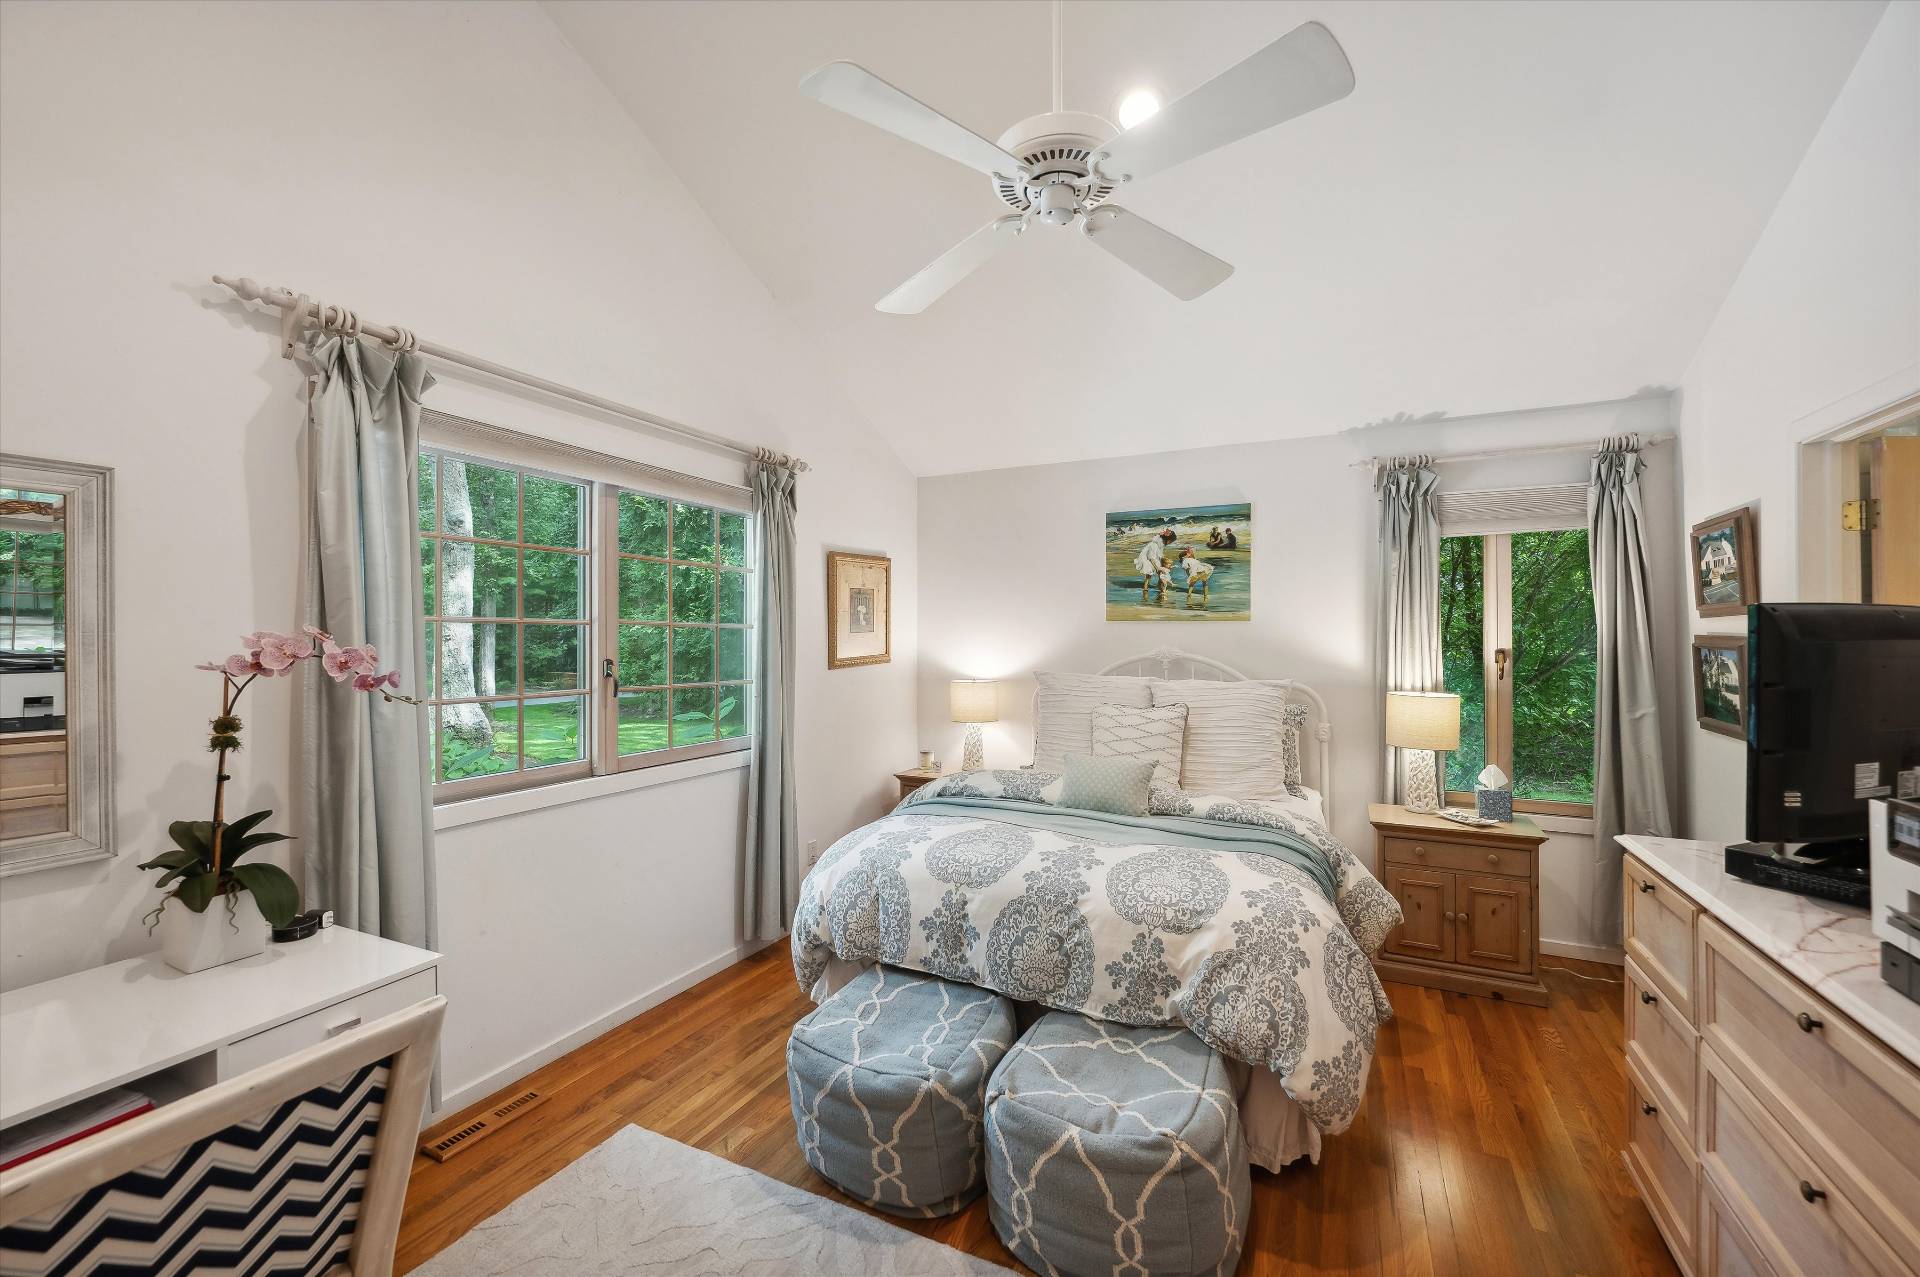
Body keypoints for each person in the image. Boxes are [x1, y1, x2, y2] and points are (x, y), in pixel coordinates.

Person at [1133, 528, 1176, 600]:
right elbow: (1151, 558)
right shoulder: (1154, 545)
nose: (1170, 543)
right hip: (1148, 559)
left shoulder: (1160, 544)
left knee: (1160, 572)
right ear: (1167, 540)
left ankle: (1161, 587)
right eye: (1170, 541)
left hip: (1154, 559)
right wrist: (1157, 568)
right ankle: (1146, 588)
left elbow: (1159, 555)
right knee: (1150, 573)